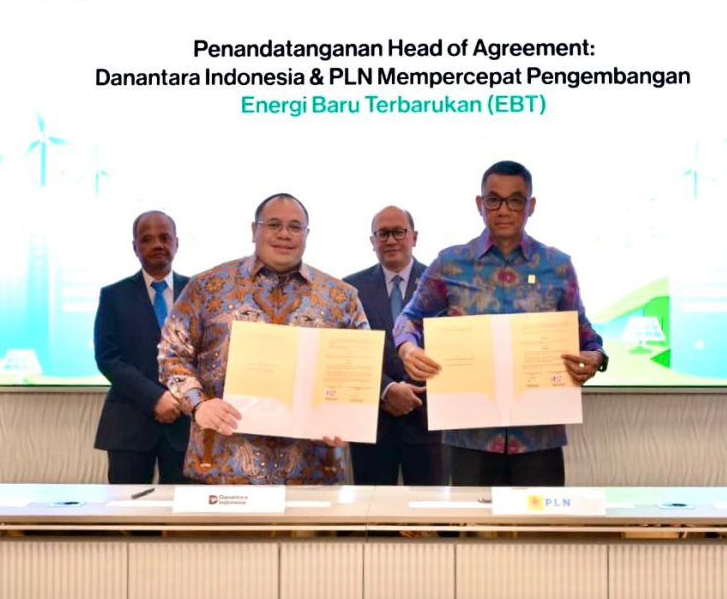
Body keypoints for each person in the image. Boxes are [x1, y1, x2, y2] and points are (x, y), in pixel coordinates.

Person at [393, 161, 607, 487]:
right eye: (494, 200)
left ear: (531, 206)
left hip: (539, 435)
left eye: (515, 200)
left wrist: (595, 357)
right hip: (470, 435)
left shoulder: (557, 266)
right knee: (473, 521)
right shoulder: (451, 264)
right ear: (480, 204)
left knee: (539, 520)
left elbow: (586, 336)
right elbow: (409, 318)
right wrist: (408, 348)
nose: (504, 210)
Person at [158, 193, 369, 484]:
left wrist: (346, 418)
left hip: (313, 473)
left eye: (295, 227)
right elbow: (172, 354)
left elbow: (359, 371)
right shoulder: (207, 287)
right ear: (253, 230)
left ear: (307, 235)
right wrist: (198, 404)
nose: (284, 234)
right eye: (273, 224)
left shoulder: (341, 298)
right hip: (223, 469)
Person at [344, 206, 448, 486]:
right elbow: (349, 354)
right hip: (374, 423)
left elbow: (453, 348)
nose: (391, 240)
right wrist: (387, 389)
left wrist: (412, 389)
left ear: (414, 237)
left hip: (429, 421)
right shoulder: (350, 290)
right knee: (372, 509)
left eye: (399, 232)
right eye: (383, 234)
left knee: (431, 509)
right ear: (372, 241)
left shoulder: (441, 286)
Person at [94, 210, 190, 484]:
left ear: (176, 243)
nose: (157, 244)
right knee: (127, 508)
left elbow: (211, 354)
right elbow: (108, 358)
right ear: (135, 247)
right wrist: (155, 398)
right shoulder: (113, 295)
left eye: (164, 237)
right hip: (129, 422)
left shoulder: (197, 291)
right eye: (147, 239)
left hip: (186, 424)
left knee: (184, 507)